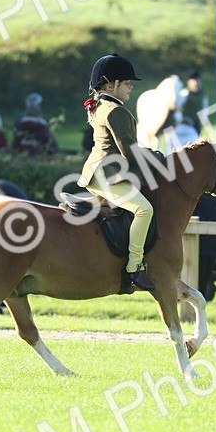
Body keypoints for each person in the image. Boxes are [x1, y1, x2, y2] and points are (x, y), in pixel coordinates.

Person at [78, 53, 162, 291]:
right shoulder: (116, 111)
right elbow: (131, 152)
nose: (131, 88)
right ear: (109, 85)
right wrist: (158, 158)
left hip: (97, 170)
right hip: (107, 173)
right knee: (144, 210)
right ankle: (134, 267)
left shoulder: (101, 106)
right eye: (127, 83)